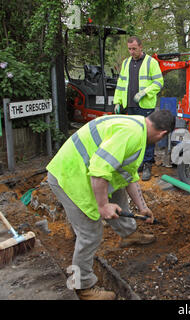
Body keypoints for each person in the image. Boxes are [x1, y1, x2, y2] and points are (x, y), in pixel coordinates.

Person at [46, 110, 175, 300]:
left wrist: (142, 208)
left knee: (118, 190)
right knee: (90, 234)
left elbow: (128, 176)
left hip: (83, 172)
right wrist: (103, 205)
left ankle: (129, 234)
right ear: (163, 134)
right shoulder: (131, 135)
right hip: (71, 178)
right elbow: (99, 171)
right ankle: (84, 288)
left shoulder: (138, 127)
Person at [113, 36, 164, 181]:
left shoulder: (151, 62)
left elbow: (159, 82)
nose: (131, 52)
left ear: (141, 47)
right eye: (129, 49)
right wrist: (117, 102)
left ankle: (148, 163)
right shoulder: (126, 63)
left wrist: (144, 92)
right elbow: (121, 84)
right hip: (130, 105)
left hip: (145, 106)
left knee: (148, 135)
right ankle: (138, 163)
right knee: (135, 135)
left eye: (134, 49)